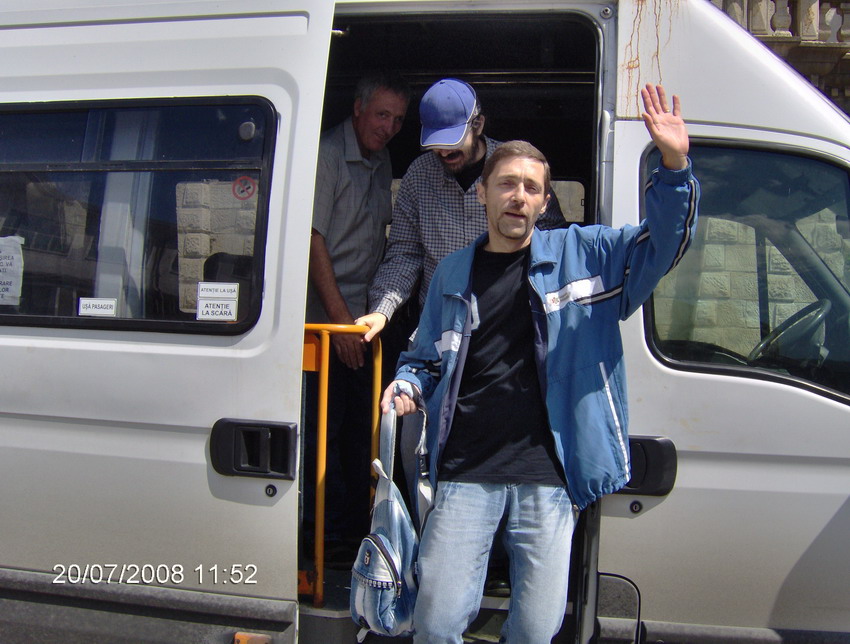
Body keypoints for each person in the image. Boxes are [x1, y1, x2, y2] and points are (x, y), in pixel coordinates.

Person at [380, 84, 699, 642]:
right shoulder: (452, 272)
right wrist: (406, 383)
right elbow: (425, 358)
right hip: (465, 472)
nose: (518, 197)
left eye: (531, 188)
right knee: (436, 623)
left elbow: (663, 244)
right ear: (482, 193)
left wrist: (673, 167)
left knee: (536, 629)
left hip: (548, 478)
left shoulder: (586, 255)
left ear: (545, 203)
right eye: (507, 184)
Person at [357, 77, 567, 344]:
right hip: (438, 330)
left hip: (506, 326)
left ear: (477, 125)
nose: (444, 152)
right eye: (437, 142)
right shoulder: (419, 176)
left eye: (452, 140)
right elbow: (404, 255)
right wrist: (381, 311)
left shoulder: (516, 168)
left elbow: (554, 249)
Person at [303, 72, 410, 566]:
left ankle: (350, 533)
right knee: (321, 434)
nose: (389, 128)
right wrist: (342, 323)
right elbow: (312, 240)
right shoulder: (326, 155)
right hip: (325, 323)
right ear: (358, 109)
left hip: (361, 322)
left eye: (398, 120)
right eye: (381, 115)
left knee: (357, 433)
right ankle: (316, 538)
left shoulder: (381, 158)